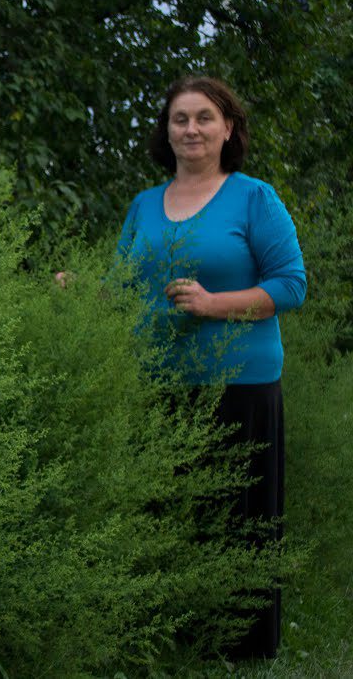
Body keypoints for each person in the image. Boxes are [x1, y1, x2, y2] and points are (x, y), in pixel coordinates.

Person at [113, 76, 307, 659]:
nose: (191, 129)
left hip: (239, 383)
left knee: (238, 521)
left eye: (204, 118)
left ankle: (242, 650)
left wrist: (212, 305)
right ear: (166, 131)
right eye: (180, 119)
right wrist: (77, 292)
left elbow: (291, 285)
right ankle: (171, 643)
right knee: (167, 517)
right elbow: (121, 288)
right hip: (156, 382)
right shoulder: (143, 205)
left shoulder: (254, 198)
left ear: (228, 129)